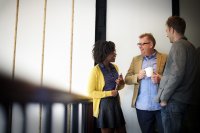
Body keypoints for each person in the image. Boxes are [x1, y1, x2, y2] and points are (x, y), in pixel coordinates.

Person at [155, 16, 197, 133]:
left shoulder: (178, 45)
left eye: (167, 30)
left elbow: (177, 75)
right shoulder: (191, 46)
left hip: (173, 102)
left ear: (172, 30)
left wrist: (164, 98)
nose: (166, 34)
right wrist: (163, 78)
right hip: (185, 101)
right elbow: (182, 74)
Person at [125, 33, 167, 133]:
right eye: (139, 44)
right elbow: (127, 79)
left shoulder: (165, 57)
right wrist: (137, 77)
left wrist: (160, 79)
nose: (140, 46)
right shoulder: (136, 59)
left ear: (151, 44)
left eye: (143, 44)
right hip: (142, 106)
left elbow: (172, 78)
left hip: (161, 106)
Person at [88, 40, 126, 133]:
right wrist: (109, 93)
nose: (115, 54)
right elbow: (91, 92)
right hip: (105, 106)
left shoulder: (115, 67)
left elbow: (118, 88)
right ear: (105, 54)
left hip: (116, 103)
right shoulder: (95, 71)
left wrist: (120, 83)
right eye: (113, 52)